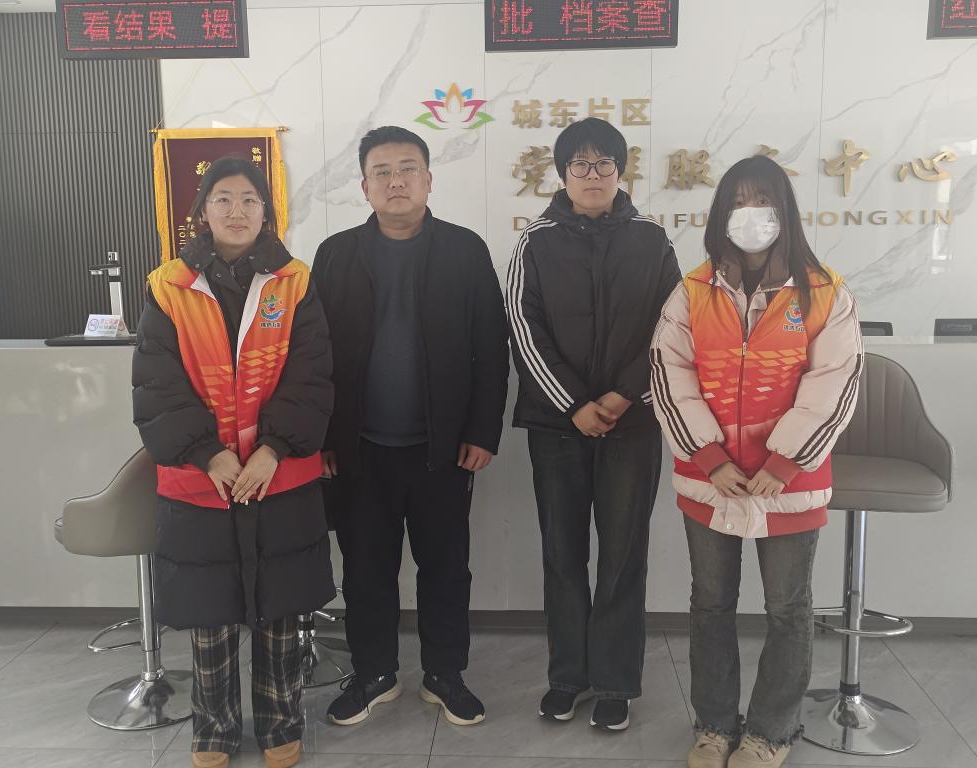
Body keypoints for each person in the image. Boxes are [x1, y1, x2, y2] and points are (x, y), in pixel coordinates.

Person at [649, 155, 863, 768]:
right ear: (721, 214)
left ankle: (771, 731)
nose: (751, 214)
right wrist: (710, 458)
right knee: (710, 604)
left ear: (785, 212)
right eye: (738, 202)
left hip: (788, 483)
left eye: (763, 201)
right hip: (710, 479)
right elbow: (669, 374)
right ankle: (715, 726)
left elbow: (836, 382)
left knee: (788, 608)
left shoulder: (825, 292)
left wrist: (785, 462)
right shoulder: (692, 291)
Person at [132, 156, 335, 768]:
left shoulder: (294, 281)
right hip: (203, 477)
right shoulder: (168, 286)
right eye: (223, 198)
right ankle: (213, 727)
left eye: (249, 199)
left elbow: (313, 375)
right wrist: (208, 454)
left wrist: (272, 448)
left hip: (279, 471)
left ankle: (279, 722)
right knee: (210, 613)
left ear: (266, 210)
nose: (237, 211)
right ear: (202, 210)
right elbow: (157, 384)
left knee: (280, 608)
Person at [312, 126, 508, 728]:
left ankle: (445, 674)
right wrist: (323, 439)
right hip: (358, 448)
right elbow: (313, 355)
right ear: (364, 186)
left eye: (407, 169)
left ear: (428, 178)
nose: (395, 181)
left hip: (442, 449)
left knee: (445, 568)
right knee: (365, 569)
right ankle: (375, 673)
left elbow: (490, 347)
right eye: (382, 171)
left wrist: (483, 431)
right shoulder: (336, 254)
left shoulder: (464, 250)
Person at [506, 117, 681, 731]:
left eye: (604, 163)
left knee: (623, 555)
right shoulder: (535, 241)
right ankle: (568, 677)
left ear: (620, 171)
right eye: (579, 164)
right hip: (558, 427)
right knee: (563, 554)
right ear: (562, 174)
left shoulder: (652, 240)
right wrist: (573, 404)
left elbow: (672, 327)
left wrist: (623, 395)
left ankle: (615, 682)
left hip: (632, 424)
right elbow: (522, 328)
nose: (592, 174)